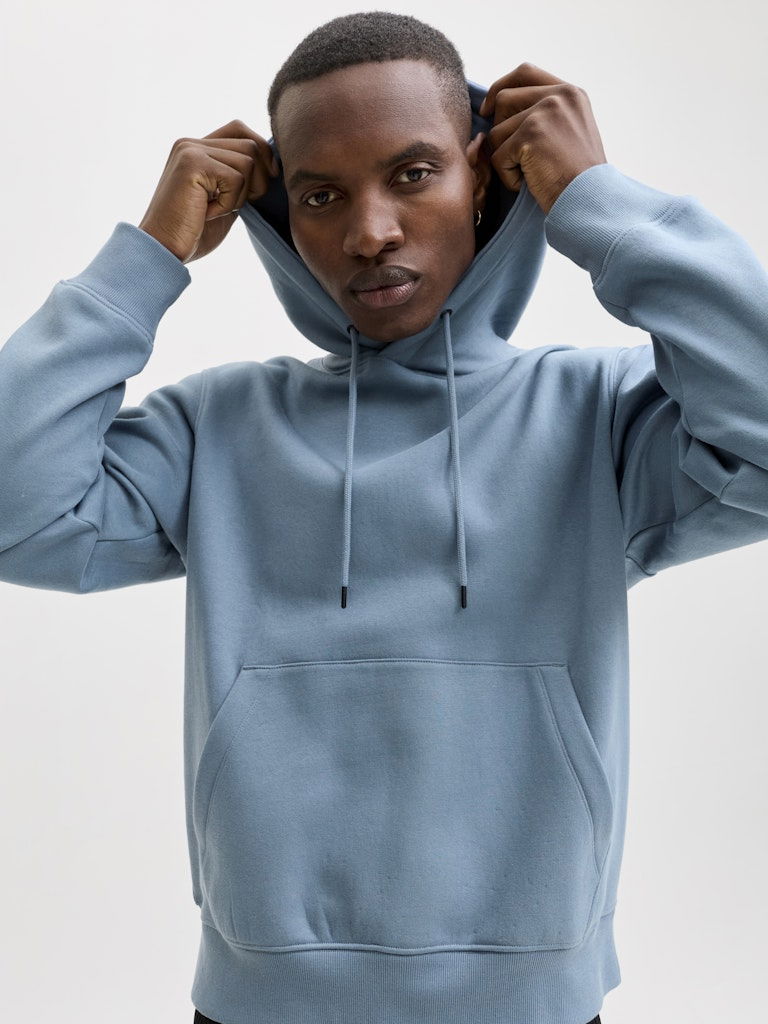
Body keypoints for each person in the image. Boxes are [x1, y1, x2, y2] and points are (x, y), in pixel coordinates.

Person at [2, 8, 767, 1024]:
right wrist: (146, 258)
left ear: (485, 179)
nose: (369, 233)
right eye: (321, 195)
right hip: (264, 997)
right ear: (284, 216)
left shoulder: (599, 417)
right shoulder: (219, 427)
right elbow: (15, 509)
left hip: (531, 999)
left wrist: (600, 203)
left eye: (413, 173)